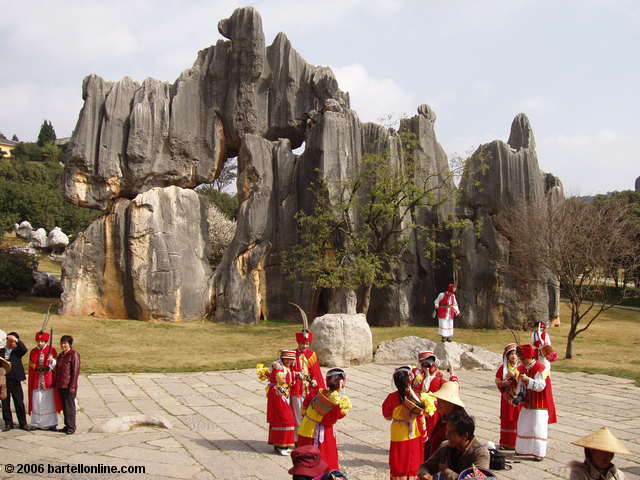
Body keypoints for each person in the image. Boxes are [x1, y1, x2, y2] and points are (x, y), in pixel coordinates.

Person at [382, 366, 434, 480]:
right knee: (414, 461)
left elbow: (387, 416)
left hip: (398, 434)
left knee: (399, 462)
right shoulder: (417, 395)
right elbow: (422, 416)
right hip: (415, 433)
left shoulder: (391, 397)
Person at [297, 368, 351, 472]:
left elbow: (303, 408)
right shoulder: (337, 402)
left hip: (306, 429)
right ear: (341, 383)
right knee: (325, 459)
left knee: (305, 461)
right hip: (323, 434)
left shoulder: (316, 393)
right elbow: (333, 418)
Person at [418, 411, 490, 480]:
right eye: (447, 430)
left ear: (465, 435)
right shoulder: (445, 446)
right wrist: (425, 475)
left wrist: (446, 471)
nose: (447, 435)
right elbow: (425, 467)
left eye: (451, 432)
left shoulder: (480, 454)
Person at [514, 344, 552, 461]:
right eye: (521, 359)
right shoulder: (522, 368)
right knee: (524, 426)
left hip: (539, 404)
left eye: (523, 359)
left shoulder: (540, 368)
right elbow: (520, 385)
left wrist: (528, 380)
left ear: (530, 357)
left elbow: (541, 386)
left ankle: (538, 452)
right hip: (527, 403)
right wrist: (518, 395)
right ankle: (523, 450)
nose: (522, 361)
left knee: (537, 428)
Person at [291, 324, 326, 427]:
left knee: (309, 412)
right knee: (297, 412)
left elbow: (316, 372)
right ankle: (298, 437)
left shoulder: (311, 354)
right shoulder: (292, 354)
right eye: (302, 343)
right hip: (296, 389)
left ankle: (308, 434)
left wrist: (316, 382)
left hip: (309, 389)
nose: (304, 346)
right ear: (298, 342)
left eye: (307, 343)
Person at [424, 380, 466, 460]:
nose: (437, 404)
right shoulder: (444, 417)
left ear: (450, 403)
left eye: (440, 402)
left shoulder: (457, 424)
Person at [28, 330, 62, 430]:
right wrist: (37, 368)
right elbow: (32, 365)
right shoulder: (33, 351)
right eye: (38, 341)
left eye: (42, 341)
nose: (40, 343)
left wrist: (52, 360)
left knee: (48, 402)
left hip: (48, 380)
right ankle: (36, 423)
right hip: (37, 380)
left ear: (46, 341)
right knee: (37, 401)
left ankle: (51, 423)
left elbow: (56, 366)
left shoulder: (52, 350)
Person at [266, 349, 297, 455]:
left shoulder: (287, 368)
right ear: (282, 359)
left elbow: (292, 377)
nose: (288, 361)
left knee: (282, 419)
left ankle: (281, 444)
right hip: (278, 395)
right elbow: (279, 381)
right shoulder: (278, 368)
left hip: (283, 395)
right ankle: (281, 445)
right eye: (286, 359)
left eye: (290, 359)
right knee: (286, 419)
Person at [1, 332, 32, 431]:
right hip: (4, 380)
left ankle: (23, 423)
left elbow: (24, 349)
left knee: (19, 402)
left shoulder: (18, 351)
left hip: (15, 380)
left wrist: (16, 340)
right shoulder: (1, 350)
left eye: (12, 341)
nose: (10, 343)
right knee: (5, 402)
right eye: (8, 340)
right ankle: (8, 423)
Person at [494, 343, 522, 450]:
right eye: (511, 354)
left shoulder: (521, 367)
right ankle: (506, 443)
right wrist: (505, 382)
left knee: (518, 418)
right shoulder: (503, 368)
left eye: (515, 354)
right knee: (506, 419)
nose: (514, 356)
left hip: (518, 398)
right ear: (506, 356)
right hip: (506, 398)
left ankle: (517, 443)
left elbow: (524, 380)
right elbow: (497, 381)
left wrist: (516, 377)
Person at [530, 321, 557, 424]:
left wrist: (544, 350)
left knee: (544, 373)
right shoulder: (533, 334)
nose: (539, 330)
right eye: (538, 328)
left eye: (541, 328)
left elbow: (548, 347)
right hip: (536, 356)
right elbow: (532, 344)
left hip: (543, 357)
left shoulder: (546, 335)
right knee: (535, 372)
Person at [54, 335, 80, 434]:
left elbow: (75, 371)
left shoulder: (74, 354)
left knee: (70, 407)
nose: (63, 345)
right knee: (65, 407)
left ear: (69, 344)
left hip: (69, 385)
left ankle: (71, 427)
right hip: (61, 385)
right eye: (62, 343)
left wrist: (72, 386)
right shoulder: (61, 355)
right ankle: (67, 425)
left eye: (65, 343)